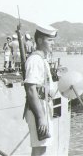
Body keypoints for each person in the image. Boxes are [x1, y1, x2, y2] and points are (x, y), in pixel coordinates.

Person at [23, 24, 58, 155]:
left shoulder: (42, 60)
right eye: (49, 40)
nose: (52, 43)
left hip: (43, 107)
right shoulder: (35, 60)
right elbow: (31, 89)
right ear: (39, 40)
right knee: (39, 148)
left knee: (42, 147)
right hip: (38, 110)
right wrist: (41, 117)